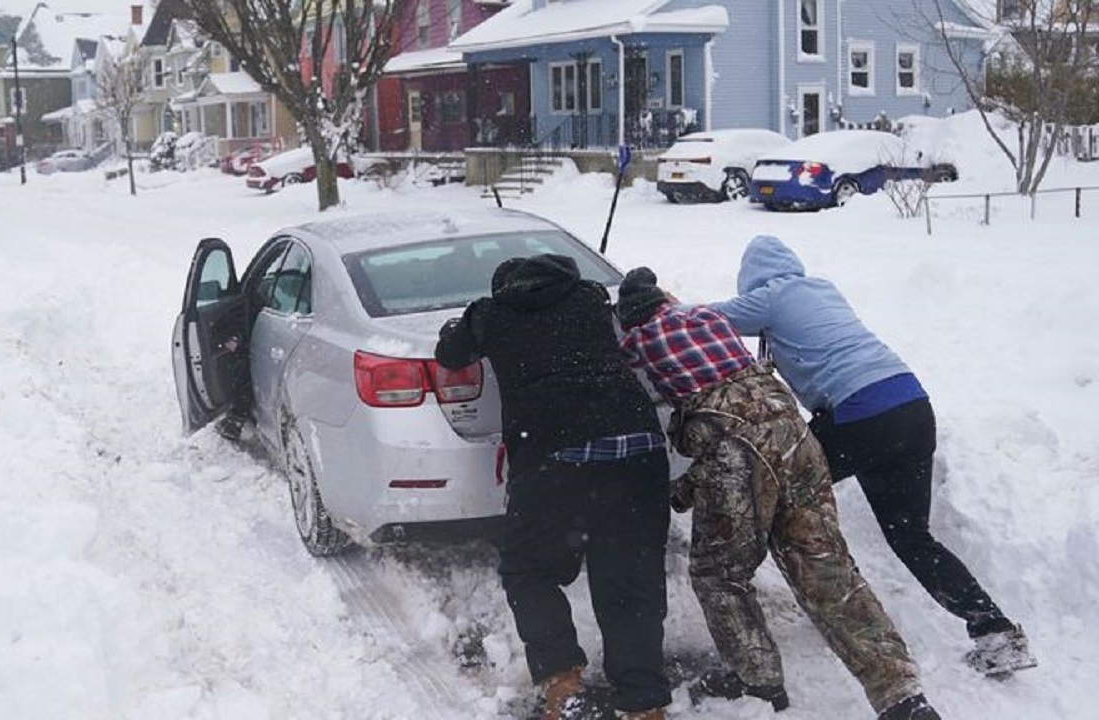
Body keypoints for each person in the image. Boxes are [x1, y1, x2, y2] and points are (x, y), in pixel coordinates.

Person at [617, 267, 939, 720]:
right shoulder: (710, 320)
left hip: (736, 455)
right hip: (796, 440)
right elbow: (751, 431)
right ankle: (902, 695)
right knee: (828, 568)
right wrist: (688, 487)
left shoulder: (637, 341)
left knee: (720, 574)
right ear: (666, 299)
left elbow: (730, 446)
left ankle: (758, 682)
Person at [708, 235, 1036, 677]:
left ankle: (840, 602)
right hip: (911, 406)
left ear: (752, 279)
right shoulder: (822, 288)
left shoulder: (773, 295)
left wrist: (658, 304)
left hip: (860, 411)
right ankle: (994, 629)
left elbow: (708, 320)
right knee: (911, 536)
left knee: (782, 490)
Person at [435, 254, 672, 720]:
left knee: (528, 570)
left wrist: (457, 326)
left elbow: (450, 354)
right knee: (630, 578)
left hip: (557, 453)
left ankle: (563, 680)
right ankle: (644, 703)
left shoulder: (490, 312)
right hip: (638, 447)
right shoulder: (588, 296)